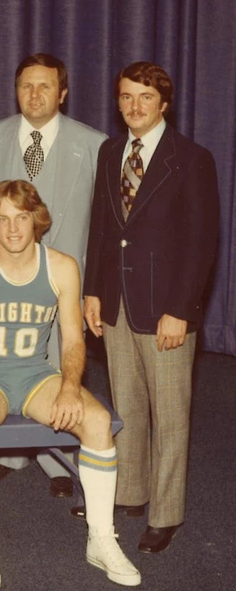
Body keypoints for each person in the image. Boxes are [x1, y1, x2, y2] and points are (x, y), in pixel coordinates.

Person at [0, 181, 140, 588]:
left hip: (35, 374)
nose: (13, 229)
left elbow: (73, 340)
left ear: (36, 219)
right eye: (3, 219)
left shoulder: (61, 267)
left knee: (97, 421)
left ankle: (101, 538)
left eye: (21, 218)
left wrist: (71, 387)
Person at [83, 62, 219, 554]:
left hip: (166, 309)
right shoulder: (109, 151)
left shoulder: (191, 158)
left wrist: (181, 309)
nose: (134, 106)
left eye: (144, 97)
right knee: (127, 405)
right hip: (117, 302)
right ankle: (131, 491)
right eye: (126, 97)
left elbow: (202, 242)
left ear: (164, 104)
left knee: (170, 415)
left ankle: (165, 513)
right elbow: (102, 227)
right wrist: (92, 291)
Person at [0, 54, 105, 497]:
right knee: (5, 361)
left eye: (45, 86)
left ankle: (56, 458)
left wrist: (91, 287)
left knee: (61, 365)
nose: (35, 94)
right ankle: (9, 452)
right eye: (26, 86)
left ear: (62, 93)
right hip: (9, 274)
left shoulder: (94, 144)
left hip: (65, 278)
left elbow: (104, 223)